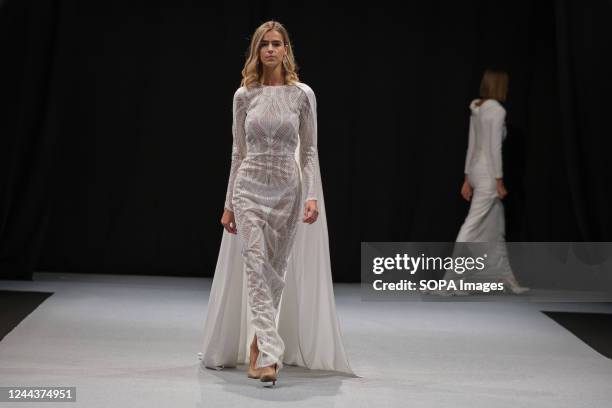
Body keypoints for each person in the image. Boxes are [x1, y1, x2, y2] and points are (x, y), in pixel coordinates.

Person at [198, 21, 355, 386]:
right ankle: (269, 353)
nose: (271, 49)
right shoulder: (244, 96)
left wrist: (312, 195)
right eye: (264, 44)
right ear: (256, 51)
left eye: (277, 43)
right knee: (255, 266)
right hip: (249, 186)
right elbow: (238, 152)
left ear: (286, 49)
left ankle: (257, 344)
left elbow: (311, 149)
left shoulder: (302, 94)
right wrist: (229, 205)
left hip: (288, 188)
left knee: (276, 271)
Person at [440, 69, 529, 296]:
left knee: (497, 229)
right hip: (489, 175)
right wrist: (499, 180)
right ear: (500, 87)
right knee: (470, 226)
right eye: (505, 85)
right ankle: (450, 281)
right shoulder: (497, 111)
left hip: (477, 172)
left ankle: (507, 278)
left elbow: (472, 145)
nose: (507, 89)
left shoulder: (477, 108)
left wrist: (467, 178)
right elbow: (494, 148)